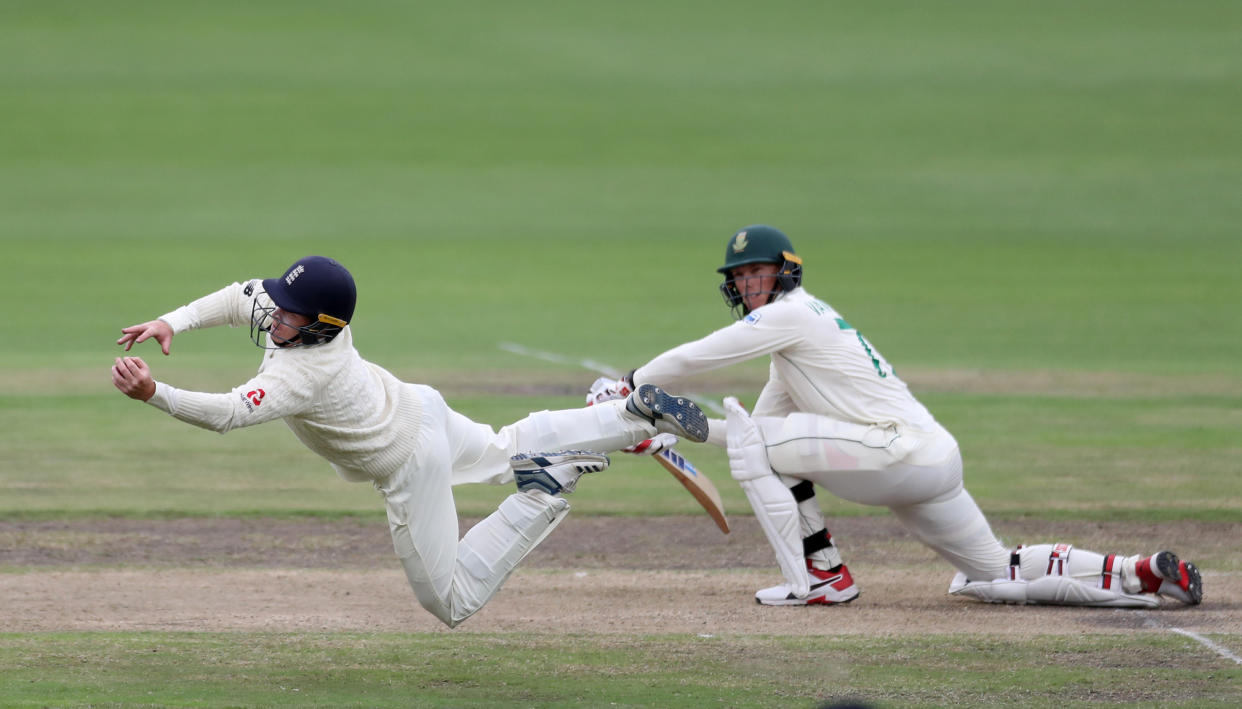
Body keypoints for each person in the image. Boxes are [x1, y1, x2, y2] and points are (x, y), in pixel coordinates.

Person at [589, 226, 1203, 609]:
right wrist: (661, 424)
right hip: (929, 457)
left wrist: (633, 388)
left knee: (764, 444)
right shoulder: (795, 348)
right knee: (993, 574)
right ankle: (1138, 573)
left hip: (897, 453)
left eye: (758, 271)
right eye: (741, 276)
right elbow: (748, 438)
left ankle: (821, 578)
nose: (749, 283)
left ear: (785, 272)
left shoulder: (791, 315)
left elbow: (701, 357)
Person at [112, 255, 709, 628]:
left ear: (324, 326)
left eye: (289, 315)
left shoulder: (303, 372)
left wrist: (154, 394)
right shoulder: (295, 322)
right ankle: (633, 414)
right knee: (505, 447)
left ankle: (545, 490)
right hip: (419, 405)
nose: (273, 318)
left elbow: (229, 414)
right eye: (279, 307)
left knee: (449, 603)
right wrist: (172, 321)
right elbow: (238, 294)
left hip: (407, 459)